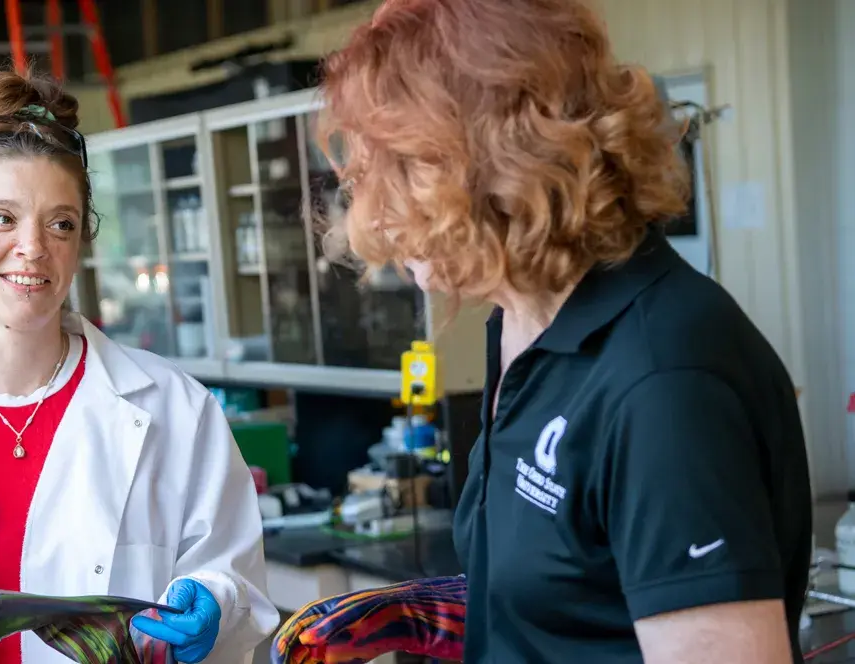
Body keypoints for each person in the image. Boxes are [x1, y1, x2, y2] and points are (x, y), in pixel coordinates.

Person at [272, 1, 812, 663]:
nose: (377, 218)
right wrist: (429, 615)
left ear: (492, 166)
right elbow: (573, 589)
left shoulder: (662, 381)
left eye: (398, 173)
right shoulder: (522, 323)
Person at [0, 69, 279, 664]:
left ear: (81, 241)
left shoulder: (178, 410)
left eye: (60, 222)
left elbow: (238, 580)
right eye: (1, 217)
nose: (33, 247)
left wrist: (216, 603)